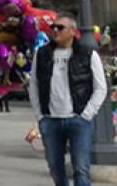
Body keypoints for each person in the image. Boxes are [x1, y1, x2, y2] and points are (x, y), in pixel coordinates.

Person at [28, 15, 106, 186]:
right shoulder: (41, 54)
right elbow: (33, 84)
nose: (55, 30)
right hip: (50, 120)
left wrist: (86, 114)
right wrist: (40, 114)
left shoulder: (87, 54)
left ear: (72, 31)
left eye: (60, 27)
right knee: (55, 167)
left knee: (81, 168)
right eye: (53, 27)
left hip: (78, 120)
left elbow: (101, 87)